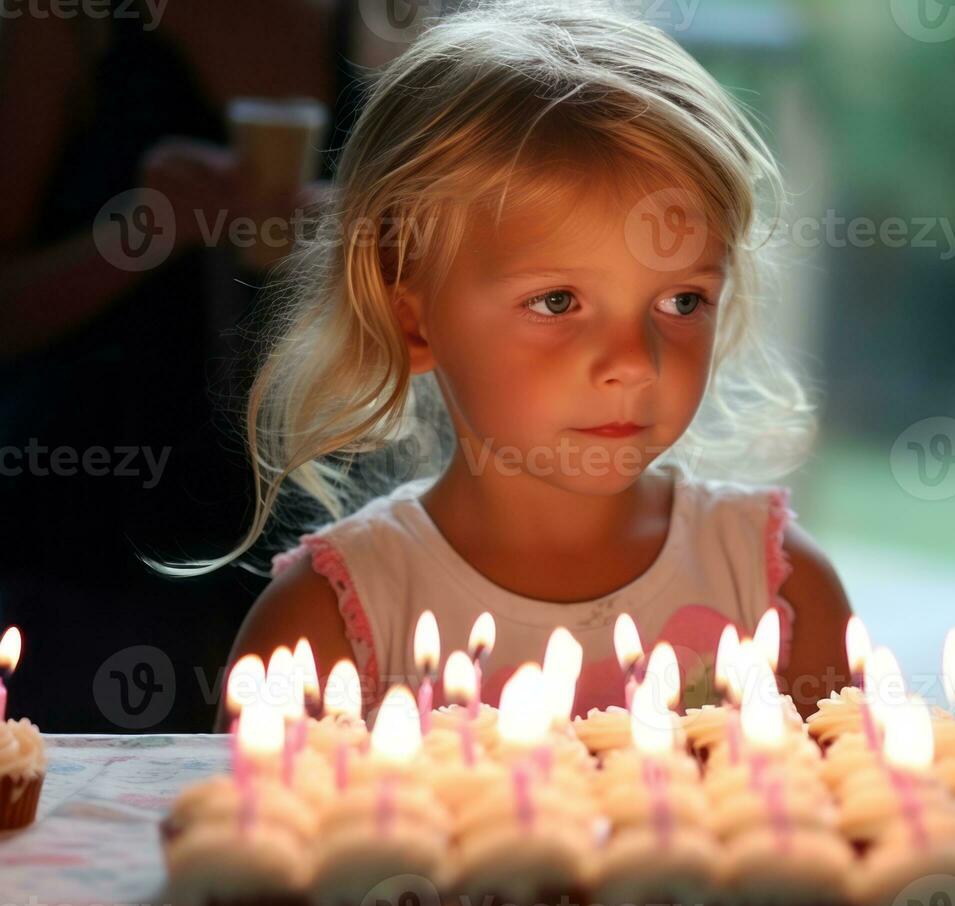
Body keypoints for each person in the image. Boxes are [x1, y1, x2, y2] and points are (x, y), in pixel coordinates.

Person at [177, 0, 855, 728]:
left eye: (682, 301)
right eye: (558, 301)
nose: (633, 361)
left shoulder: (777, 591)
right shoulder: (330, 625)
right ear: (412, 316)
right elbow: (245, 836)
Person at [0, 1, 367, 731]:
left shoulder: (379, 25)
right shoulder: (66, 25)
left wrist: (355, 246)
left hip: (310, 508)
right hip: (88, 524)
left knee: (297, 808)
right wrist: (145, 228)